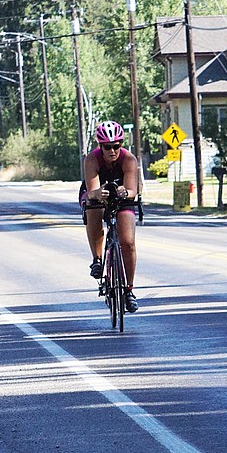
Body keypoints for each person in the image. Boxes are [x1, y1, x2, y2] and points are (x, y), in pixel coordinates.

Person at [81, 121, 141, 313]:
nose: (113, 150)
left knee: (128, 242)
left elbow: (133, 191)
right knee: (94, 209)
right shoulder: (92, 159)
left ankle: (129, 290)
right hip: (98, 194)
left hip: (122, 196)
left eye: (117, 146)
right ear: (101, 146)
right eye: (108, 147)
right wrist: (98, 193)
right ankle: (97, 260)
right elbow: (91, 192)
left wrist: (126, 193)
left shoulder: (129, 160)